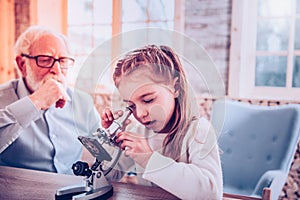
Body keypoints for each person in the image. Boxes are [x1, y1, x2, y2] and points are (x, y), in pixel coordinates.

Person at [102, 45, 223, 199]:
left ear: (175, 88)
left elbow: (211, 193)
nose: (139, 114)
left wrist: (149, 159)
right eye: (131, 106)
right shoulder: (138, 134)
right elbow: (107, 178)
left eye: (148, 100)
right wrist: (111, 141)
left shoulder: (199, 131)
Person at [0, 26, 100, 174]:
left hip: (72, 190)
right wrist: (36, 101)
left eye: (63, 61)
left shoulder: (82, 103)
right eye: (46, 60)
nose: (57, 70)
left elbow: (104, 153)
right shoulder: (2, 98)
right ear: (22, 65)